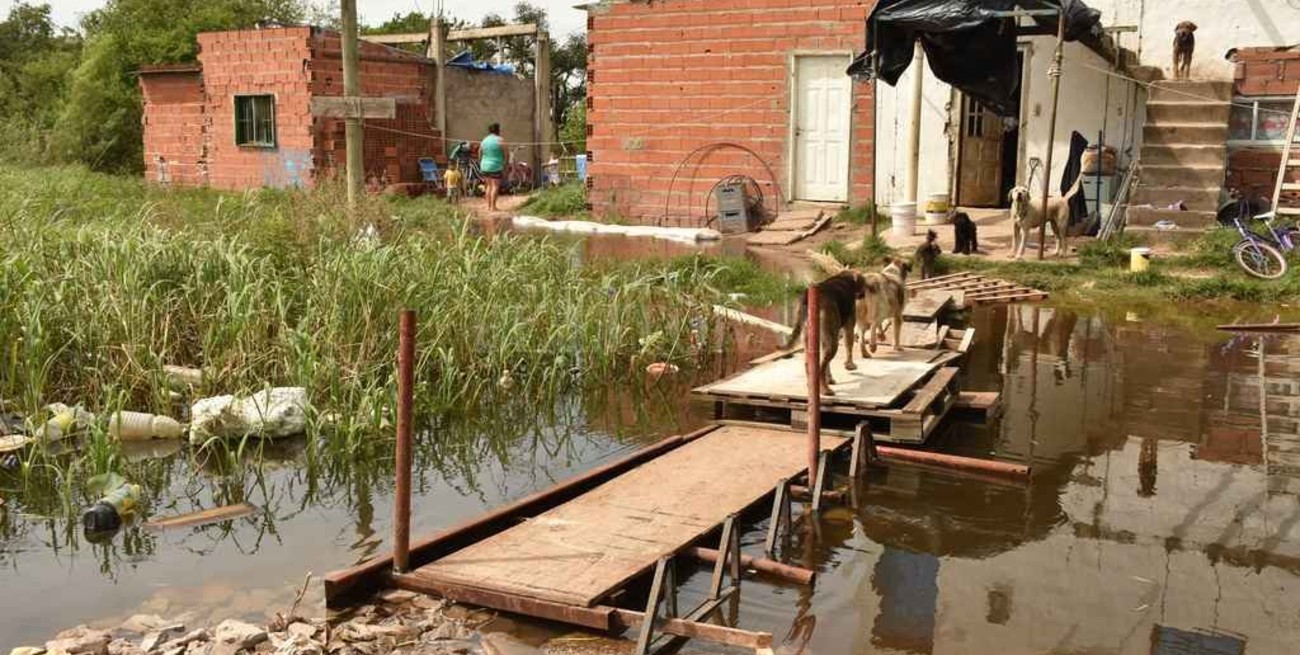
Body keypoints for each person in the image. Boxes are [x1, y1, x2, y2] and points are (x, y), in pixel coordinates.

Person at [479, 123, 505, 212]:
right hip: (495, 165)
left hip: (484, 166)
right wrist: (505, 163)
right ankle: (493, 207)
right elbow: (506, 153)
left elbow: (480, 152)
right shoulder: (500, 140)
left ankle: (488, 206)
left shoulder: (484, 140)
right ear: (498, 130)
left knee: (488, 186)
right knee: (495, 186)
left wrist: (481, 162)